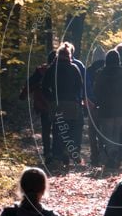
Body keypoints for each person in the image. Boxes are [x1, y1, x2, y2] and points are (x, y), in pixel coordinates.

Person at [42, 42, 83, 170]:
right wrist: (74, 98)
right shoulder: (74, 68)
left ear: (58, 55)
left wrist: (51, 99)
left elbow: (44, 87)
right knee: (70, 130)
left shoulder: (51, 69)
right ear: (69, 55)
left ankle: (57, 157)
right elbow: (79, 86)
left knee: (57, 130)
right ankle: (66, 152)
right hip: (71, 105)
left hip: (57, 104)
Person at [94, 49, 122, 169]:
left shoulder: (100, 73)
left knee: (107, 133)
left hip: (106, 108)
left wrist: (100, 102)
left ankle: (111, 154)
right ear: (118, 60)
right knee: (117, 132)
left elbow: (96, 90)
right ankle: (114, 153)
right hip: (120, 109)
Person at [19, 51, 56, 163]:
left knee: (46, 129)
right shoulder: (61, 70)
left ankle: (48, 153)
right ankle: (56, 152)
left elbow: (29, 83)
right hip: (58, 105)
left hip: (44, 105)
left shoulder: (41, 71)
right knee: (57, 130)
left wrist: (23, 95)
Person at [85, 46, 106, 165]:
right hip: (105, 105)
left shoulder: (89, 70)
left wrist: (89, 102)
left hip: (92, 105)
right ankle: (104, 153)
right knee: (104, 131)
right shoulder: (107, 68)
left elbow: (86, 88)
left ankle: (94, 156)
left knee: (92, 131)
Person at [66, 43, 86, 163]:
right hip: (76, 102)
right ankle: (75, 152)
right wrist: (83, 98)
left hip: (59, 103)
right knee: (77, 127)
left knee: (63, 128)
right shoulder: (78, 65)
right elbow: (83, 84)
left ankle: (64, 152)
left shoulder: (55, 64)